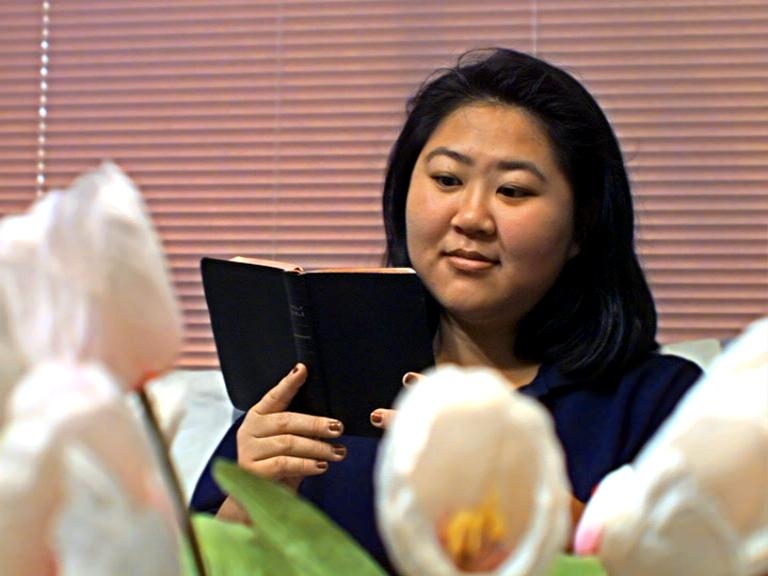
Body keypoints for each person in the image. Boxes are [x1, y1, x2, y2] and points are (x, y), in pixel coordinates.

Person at [191, 47, 702, 570]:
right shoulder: (320, 378)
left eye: (513, 190)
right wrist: (253, 496)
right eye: (448, 180)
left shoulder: (660, 403)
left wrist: (510, 493)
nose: (471, 217)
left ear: (582, 226)